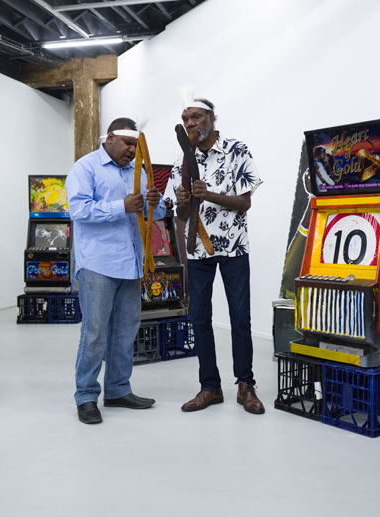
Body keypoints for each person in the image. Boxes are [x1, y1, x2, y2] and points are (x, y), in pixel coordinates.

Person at [165, 98, 265, 414]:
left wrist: (208, 194)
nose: (190, 123)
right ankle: (210, 388)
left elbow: (245, 203)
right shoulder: (182, 159)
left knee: (240, 317)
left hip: (234, 246)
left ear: (211, 118)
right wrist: (183, 200)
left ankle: (245, 386)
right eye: (185, 118)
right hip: (197, 249)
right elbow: (180, 212)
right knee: (199, 318)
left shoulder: (237, 150)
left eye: (196, 117)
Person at [66, 117, 166, 425]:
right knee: (95, 332)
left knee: (126, 331)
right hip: (98, 263)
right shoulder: (85, 168)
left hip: (132, 263)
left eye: (136, 146)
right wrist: (120, 206)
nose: (132, 151)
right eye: (128, 144)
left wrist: (155, 201)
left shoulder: (139, 173)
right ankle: (85, 396)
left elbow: (157, 213)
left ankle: (118, 389)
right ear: (109, 138)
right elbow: (78, 211)